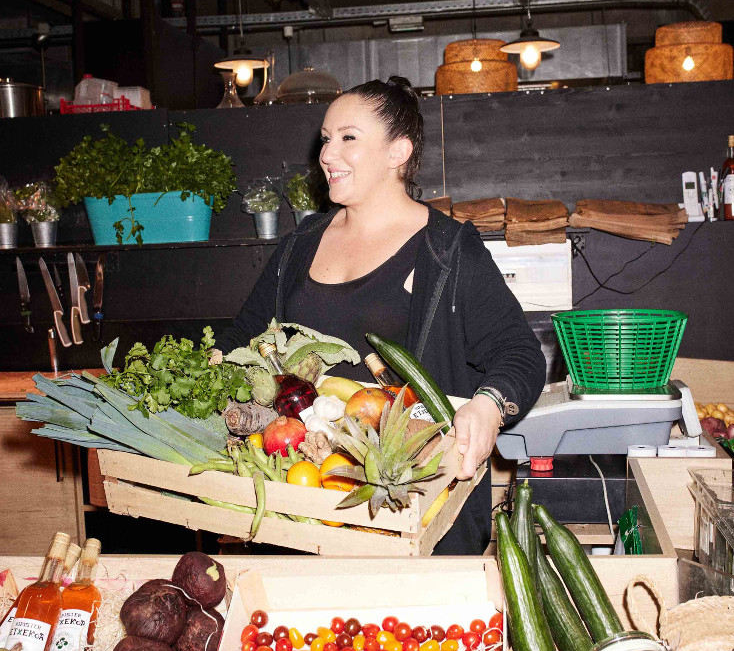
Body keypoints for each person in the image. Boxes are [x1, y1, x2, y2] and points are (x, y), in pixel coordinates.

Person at [218, 76, 545, 553]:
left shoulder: (448, 250)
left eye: (348, 138)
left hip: (415, 509)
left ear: (398, 152)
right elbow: (244, 340)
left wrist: (490, 405)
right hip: (305, 501)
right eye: (327, 139)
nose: (328, 155)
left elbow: (518, 354)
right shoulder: (297, 249)